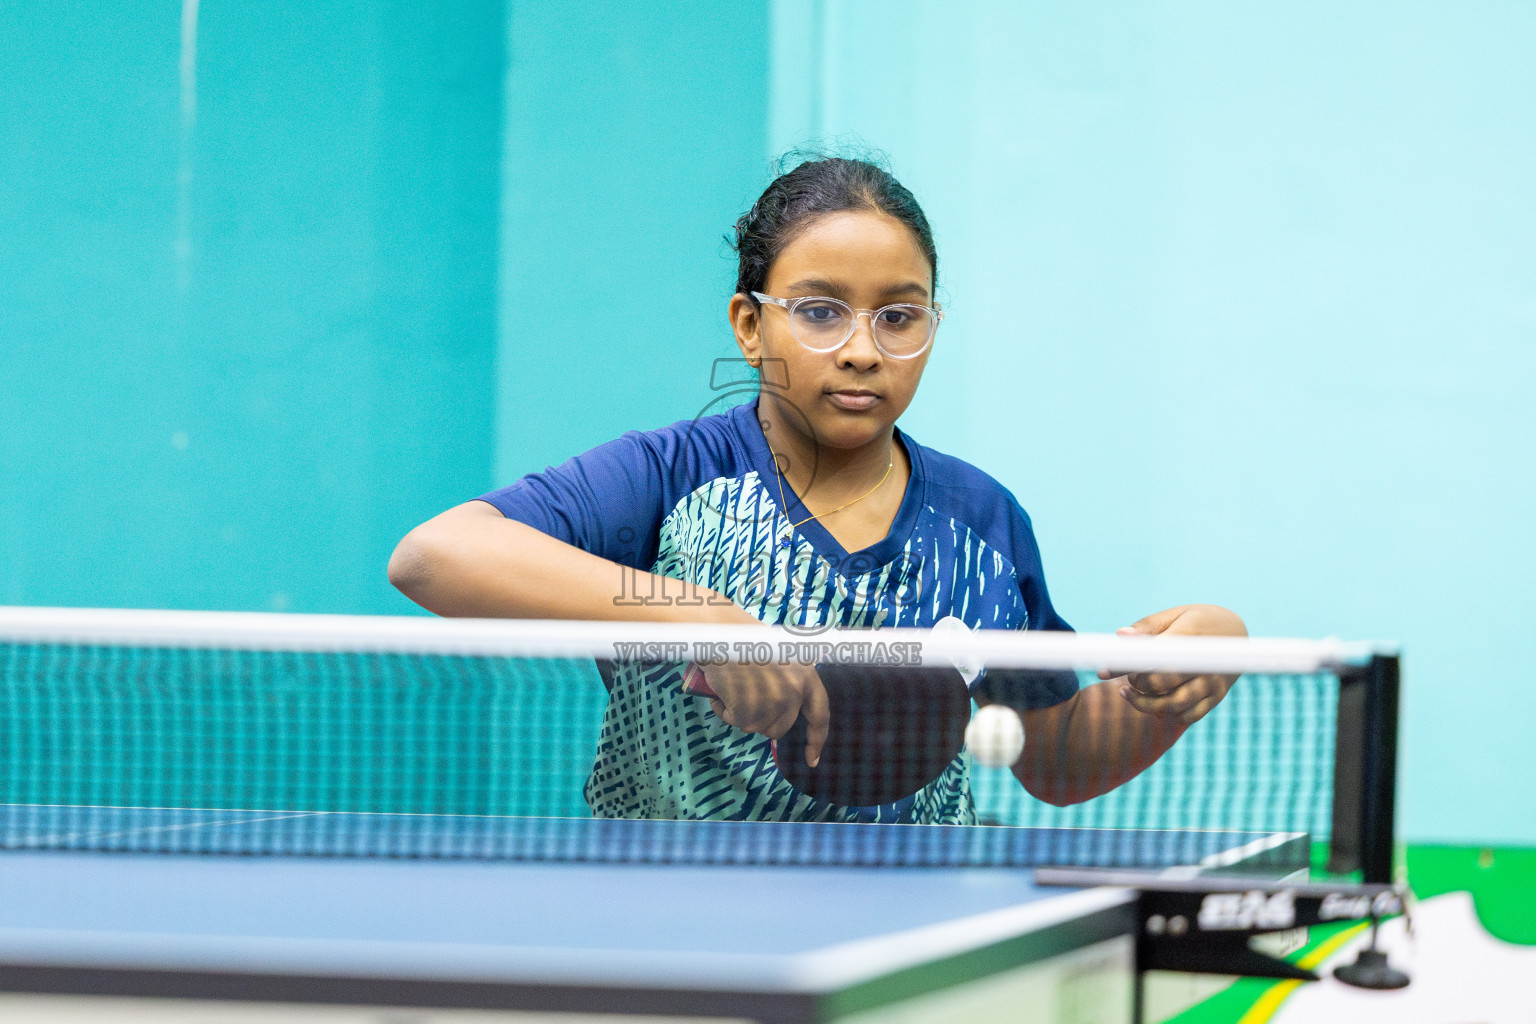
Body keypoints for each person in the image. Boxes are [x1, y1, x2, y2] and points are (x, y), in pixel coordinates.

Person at [388, 154, 1246, 823]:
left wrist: (1183, 682)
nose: (864, 349)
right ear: (751, 324)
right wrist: (709, 620)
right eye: (821, 310)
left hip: (919, 921)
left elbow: (1053, 756)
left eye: (900, 315)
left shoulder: (983, 521)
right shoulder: (669, 476)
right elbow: (436, 556)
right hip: (666, 909)